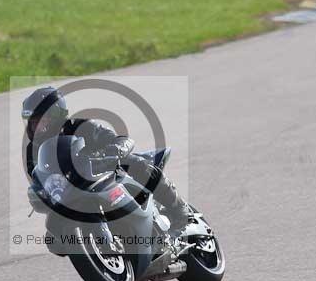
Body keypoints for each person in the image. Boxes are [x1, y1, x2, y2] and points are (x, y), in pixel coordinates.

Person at [22, 86, 192, 231]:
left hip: (107, 172)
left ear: (56, 116)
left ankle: (178, 209)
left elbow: (119, 139)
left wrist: (115, 151)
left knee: (137, 164)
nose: (35, 127)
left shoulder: (80, 126)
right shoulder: (33, 151)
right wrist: (38, 192)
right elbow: (38, 177)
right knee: (53, 238)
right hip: (73, 191)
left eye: (41, 121)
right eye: (32, 122)